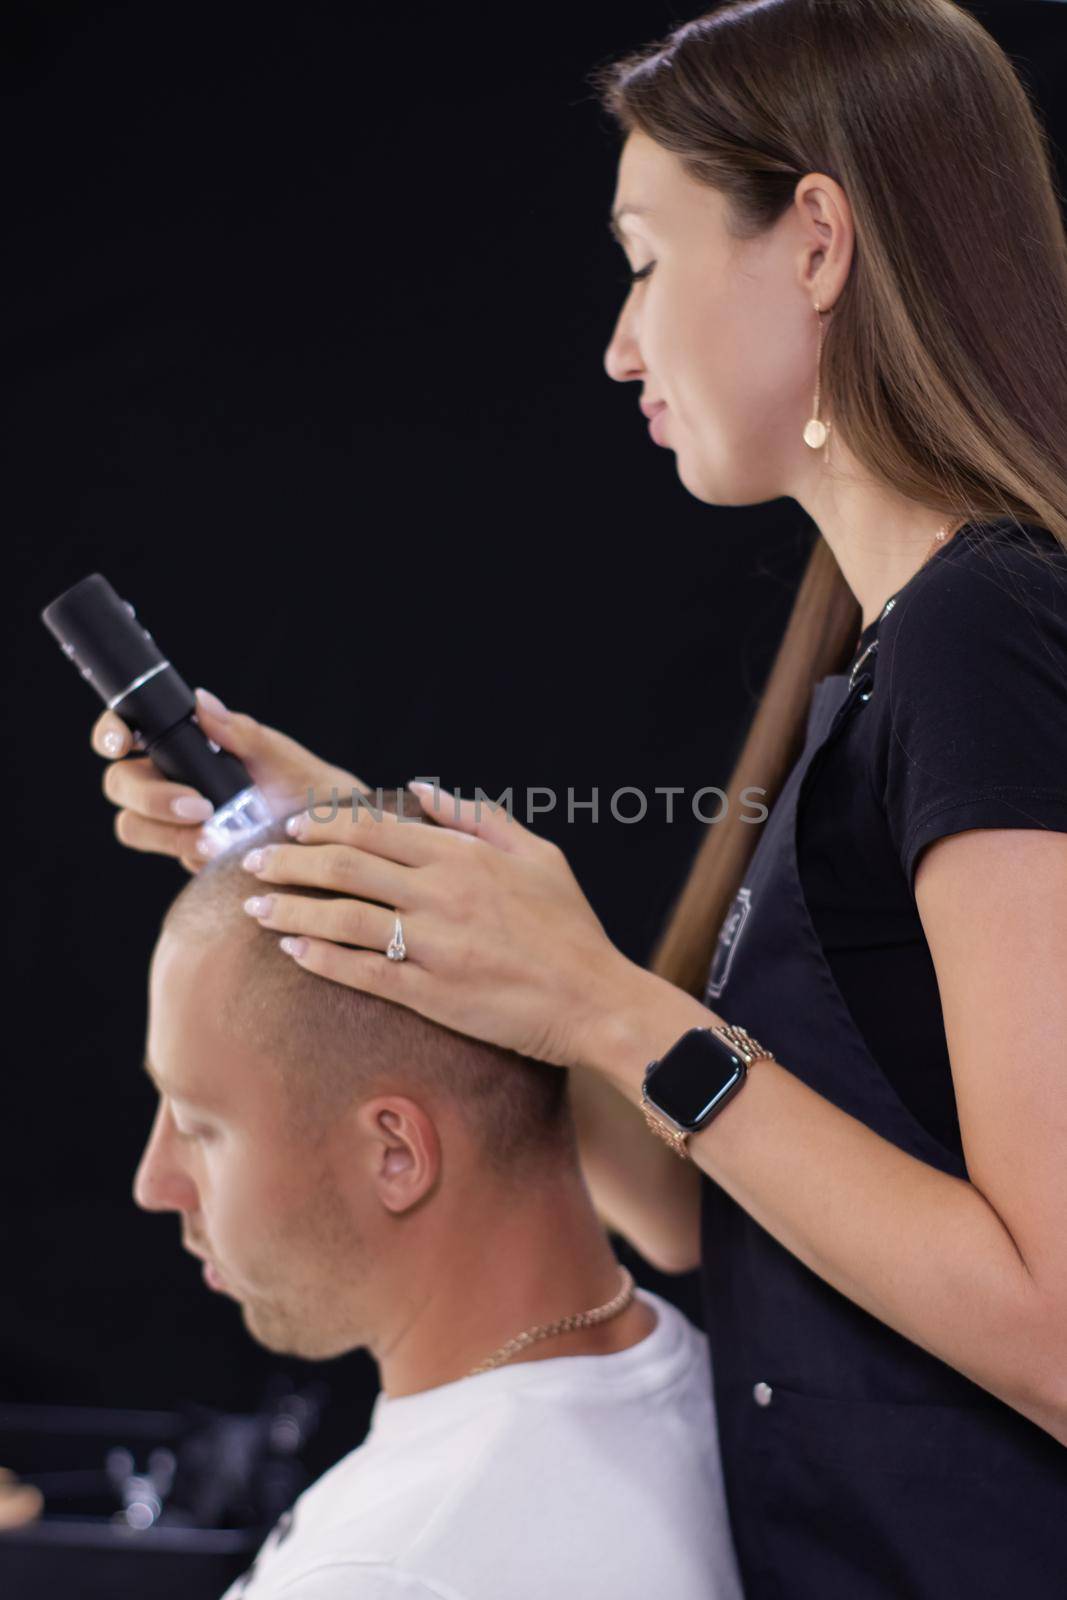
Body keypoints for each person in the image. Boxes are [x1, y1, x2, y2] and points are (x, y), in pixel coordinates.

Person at [93, 2, 1067, 1595]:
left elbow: (1043, 1321)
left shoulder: (988, 634)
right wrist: (359, 848)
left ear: (813, 240)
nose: (619, 342)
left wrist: (611, 1010)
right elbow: (716, 1231)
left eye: (643, 258)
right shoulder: (881, 665)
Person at [131, 789, 743, 1600]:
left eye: (198, 1124)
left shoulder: (385, 1575)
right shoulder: (710, 1396)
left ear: (395, 1153)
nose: (154, 1184)